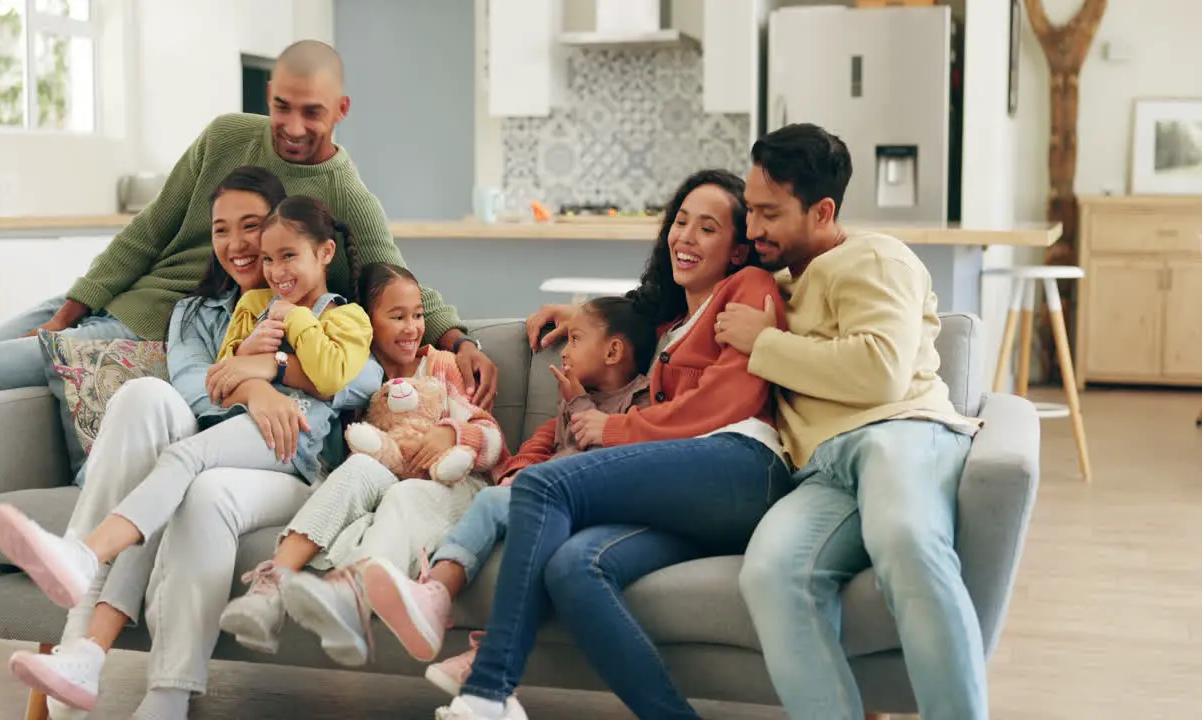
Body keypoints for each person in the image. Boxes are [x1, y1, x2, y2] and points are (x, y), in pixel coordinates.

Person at [0, 39, 496, 470]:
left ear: (340, 110)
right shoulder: (225, 136)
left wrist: (460, 339)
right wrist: (65, 315)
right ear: (268, 96)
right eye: (282, 106)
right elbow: (149, 230)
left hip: (164, 328)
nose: (293, 127)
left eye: (312, 112)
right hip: (121, 296)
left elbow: (394, 279)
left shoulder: (344, 193)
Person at [0, 167, 383, 720]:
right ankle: (103, 662)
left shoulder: (336, 312)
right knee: (174, 451)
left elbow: (356, 378)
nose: (242, 246)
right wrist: (253, 386)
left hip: (297, 460)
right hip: (229, 451)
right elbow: (200, 389)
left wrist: (268, 364)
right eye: (222, 229)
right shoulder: (203, 313)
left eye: (255, 228)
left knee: (189, 475)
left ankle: (86, 565)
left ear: (305, 244)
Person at [434, 169, 793, 720]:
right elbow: (624, 319)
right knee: (575, 568)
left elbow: (728, 401)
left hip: (740, 466)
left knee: (543, 485)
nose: (686, 238)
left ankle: (489, 689)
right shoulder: (668, 320)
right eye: (680, 222)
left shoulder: (747, 290)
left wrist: (618, 430)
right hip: (685, 495)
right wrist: (578, 318)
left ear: (739, 247)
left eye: (707, 228)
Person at [714, 124, 986, 720]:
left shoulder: (877, 257)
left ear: (823, 210)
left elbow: (881, 370)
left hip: (900, 432)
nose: (753, 227)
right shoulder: (777, 284)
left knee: (907, 540)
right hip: (822, 468)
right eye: (749, 210)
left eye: (769, 212)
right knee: (770, 574)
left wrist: (767, 343)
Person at [356, 294, 656, 695]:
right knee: (500, 511)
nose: (565, 350)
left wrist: (576, 405)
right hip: (551, 500)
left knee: (492, 503)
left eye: (577, 339)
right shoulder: (575, 399)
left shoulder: (639, 402)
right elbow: (540, 447)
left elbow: (607, 460)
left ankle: (437, 594)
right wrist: (518, 473)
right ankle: (480, 653)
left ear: (614, 350)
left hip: (590, 504)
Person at [219, 263, 508, 662]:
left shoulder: (441, 365)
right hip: (388, 473)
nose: (412, 327)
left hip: (456, 481)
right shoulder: (359, 374)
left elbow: (493, 439)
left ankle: (349, 592)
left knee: (405, 495)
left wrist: (454, 434)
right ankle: (269, 589)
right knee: (358, 470)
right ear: (369, 323)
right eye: (397, 316)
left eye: (418, 315)